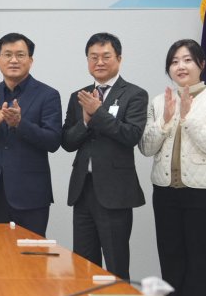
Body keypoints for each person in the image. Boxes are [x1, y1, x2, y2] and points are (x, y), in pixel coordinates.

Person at [139, 39, 206, 296]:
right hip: (166, 193)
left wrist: (188, 116)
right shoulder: (159, 101)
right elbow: (146, 148)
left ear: (201, 64)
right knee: (172, 261)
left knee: (201, 264)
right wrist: (165, 121)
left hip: (203, 195)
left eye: (188, 60)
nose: (181, 66)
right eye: (175, 61)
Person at [61, 32, 147, 280]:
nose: (99, 62)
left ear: (119, 58)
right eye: (93, 57)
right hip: (83, 189)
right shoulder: (79, 96)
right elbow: (67, 142)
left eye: (106, 56)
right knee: (83, 264)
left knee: (116, 264)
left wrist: (97, 114)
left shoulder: (134, 94)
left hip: (115, 192)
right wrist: (85, 122)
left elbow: (131, 135)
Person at [0, 33, 61, 236]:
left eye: (20, 55)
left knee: (31, 252)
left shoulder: (48, 95)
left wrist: (20, 124)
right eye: (7, 55)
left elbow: (53, 141)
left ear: (30, 60)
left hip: (31, 193)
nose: (13, 60)